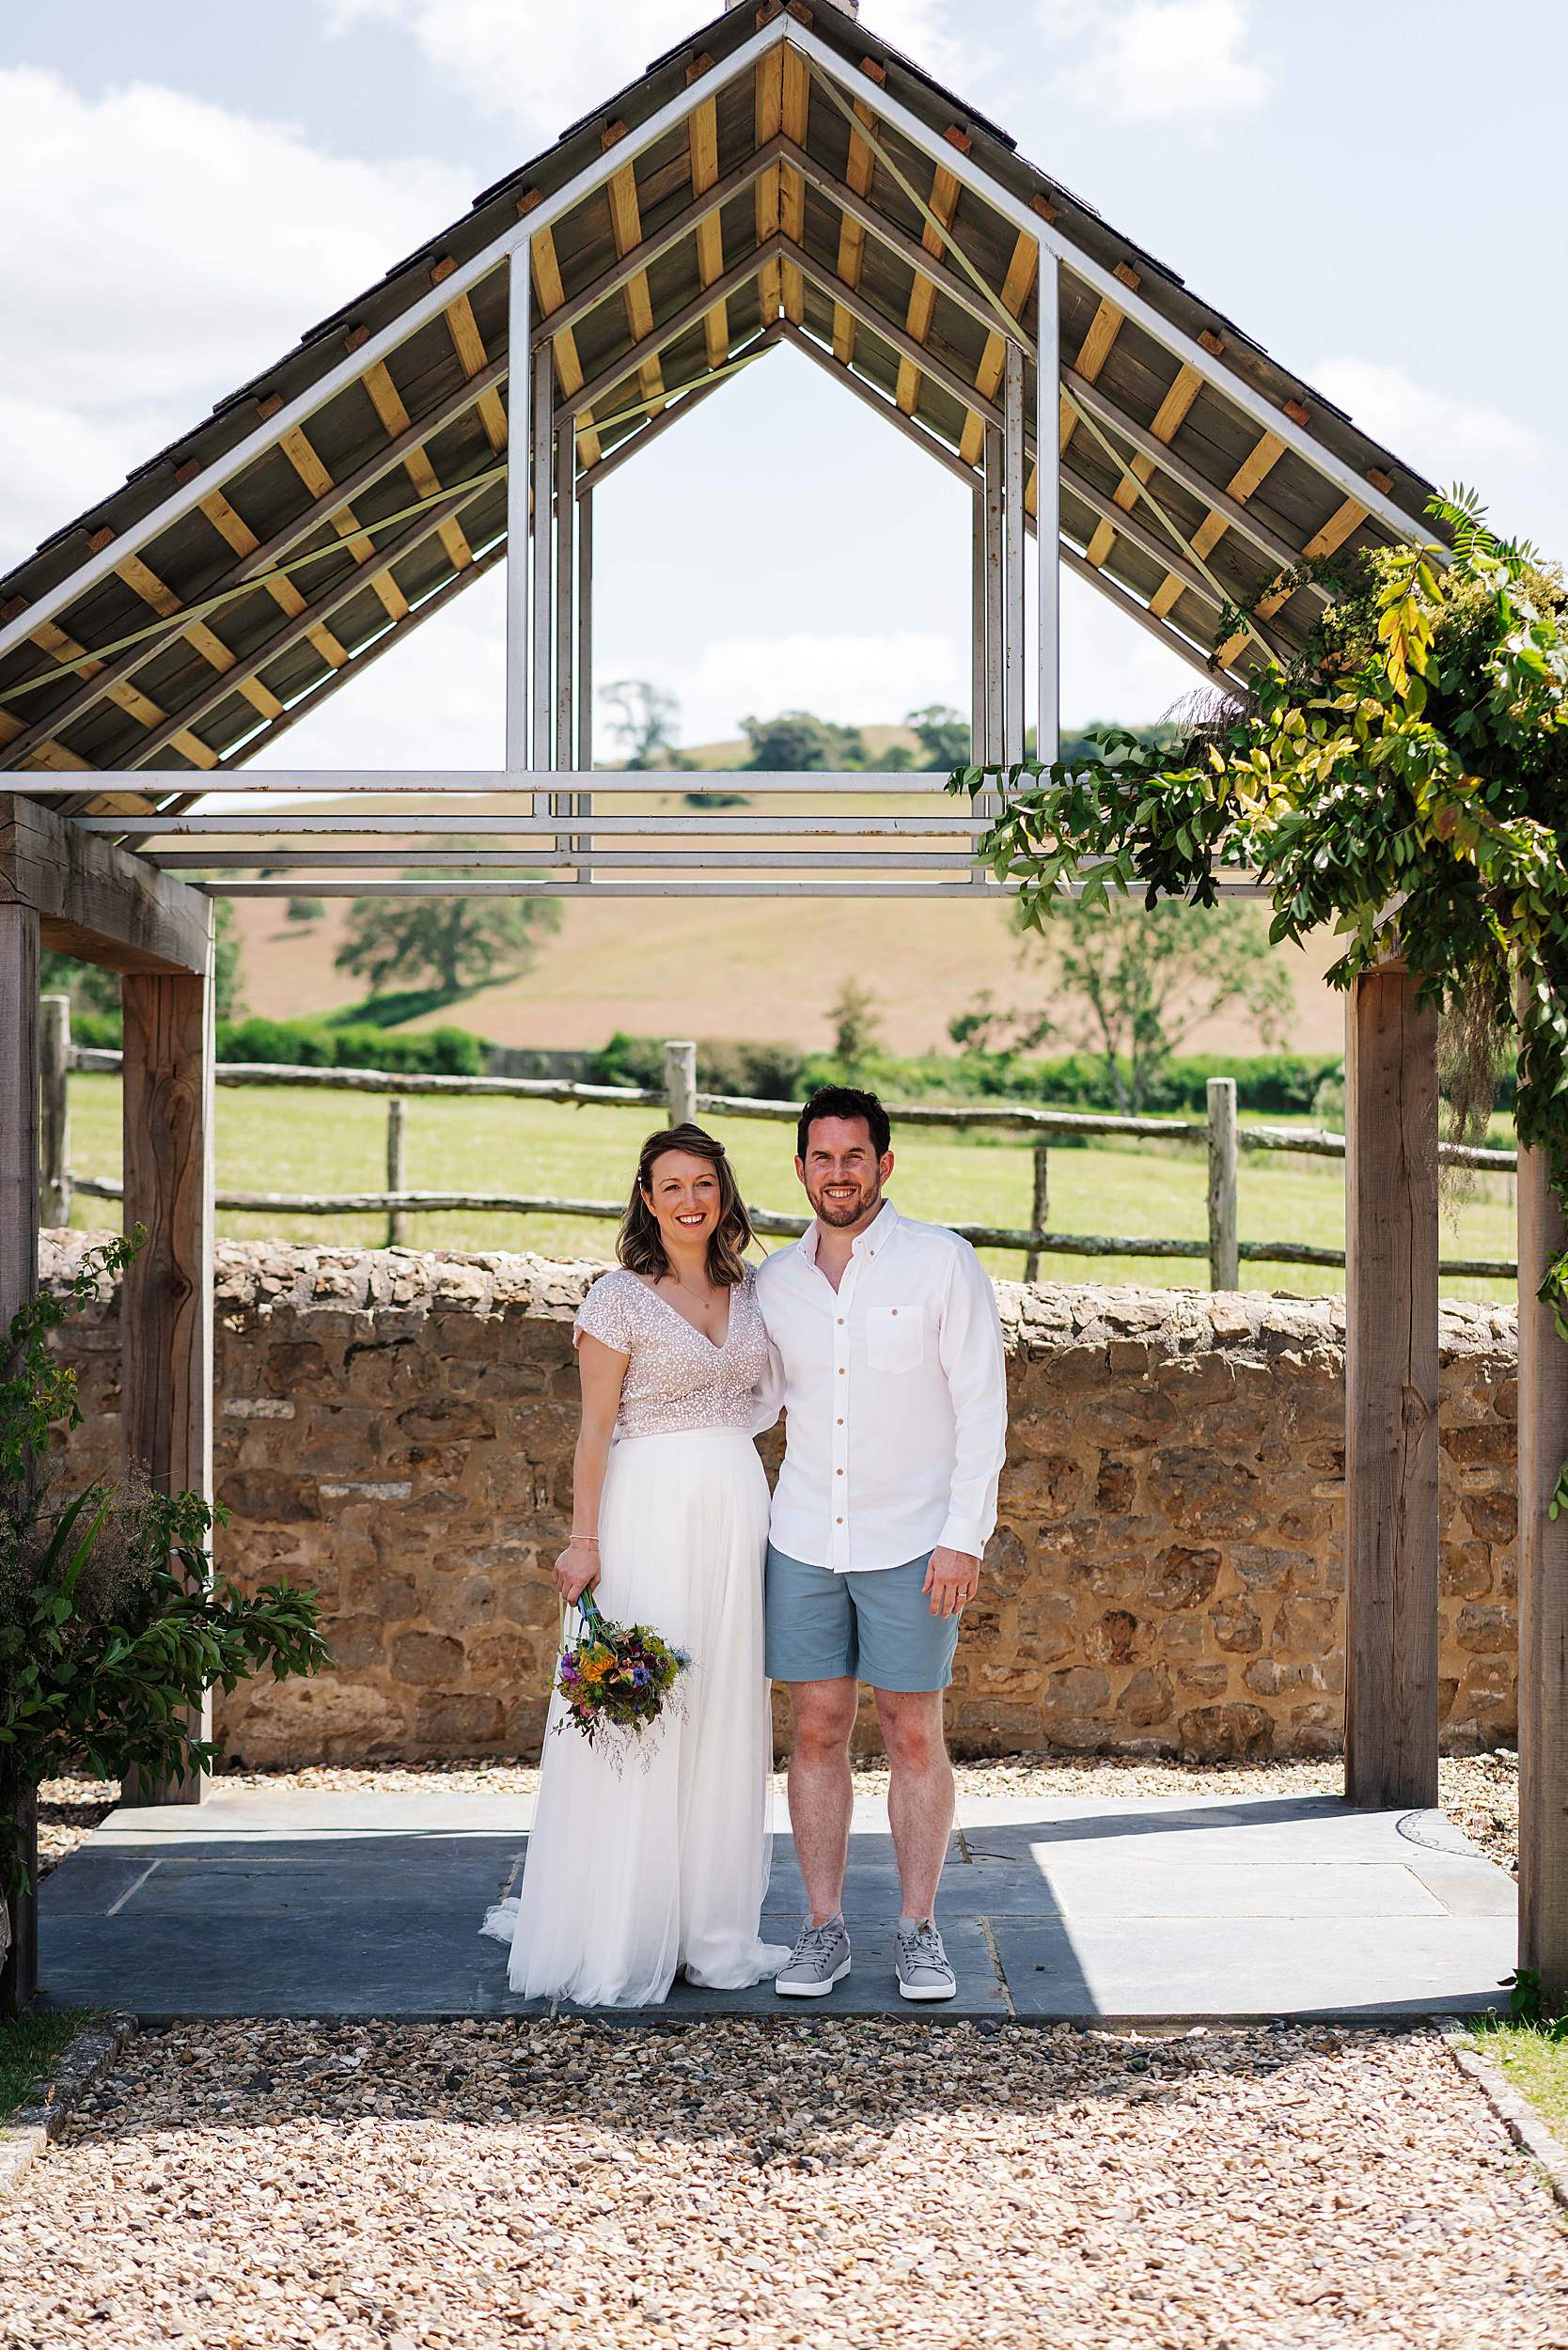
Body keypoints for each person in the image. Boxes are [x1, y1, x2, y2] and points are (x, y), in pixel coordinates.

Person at [479, 1124, 789, 2007]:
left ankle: (709, 1929)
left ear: (724, 1193)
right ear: (647, 1200)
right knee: (647, 1707)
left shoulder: (755, 1289)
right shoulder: (616, 1298)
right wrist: (584, 1540)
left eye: (704, 1183)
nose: (690, 1200)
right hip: (648, 1508)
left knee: (722, 1708)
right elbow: (592, 1431)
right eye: (671, 1186)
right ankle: (621, 1927)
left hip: (736, 1506)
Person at [756, 1085, 1008, 2002]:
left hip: (915, 1543)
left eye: (854, 1157)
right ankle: (822, 1929)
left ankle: (917, 1929)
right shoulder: (773, 1284)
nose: (839, 1174)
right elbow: (748, 1400)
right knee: (815, 1730)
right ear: (801, 1169)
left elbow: (983, 1405)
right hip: (803, 1538)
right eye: (822, 1158)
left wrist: (963, 1536)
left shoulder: (942, 1263)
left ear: (884, 1164)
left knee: (912, 1731)